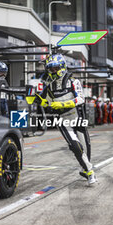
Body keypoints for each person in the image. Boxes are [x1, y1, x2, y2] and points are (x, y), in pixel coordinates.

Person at [34, 54, 96, 184]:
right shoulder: (49, 86)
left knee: (86, 147)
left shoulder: (73, 81)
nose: (53, 71)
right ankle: (90, 172)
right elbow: (48, 103)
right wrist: (39, 101)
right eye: (51, 69)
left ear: (62, 67)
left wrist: (63, 104)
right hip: (61, 119)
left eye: (55, 68)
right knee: (75, 146)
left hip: (77, 117)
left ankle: (85, 169)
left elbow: (81, 99)